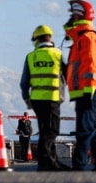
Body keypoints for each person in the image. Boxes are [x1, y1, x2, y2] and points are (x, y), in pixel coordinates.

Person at [64, 0, 96, 171]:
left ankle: (79, 165)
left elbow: (91, 66)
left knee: (84, 129)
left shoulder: (89, 39)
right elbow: (72, 33)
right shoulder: (80, 38)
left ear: (82, 16)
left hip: (89, 90)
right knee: (91, 129)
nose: (72, 17)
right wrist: (69, 26)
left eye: (74, 15)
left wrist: (88, 92)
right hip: (84, 91)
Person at [21, 23, 70, 171]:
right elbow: (67, 75)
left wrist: (26, 99)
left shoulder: (31, 56)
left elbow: (24, 82)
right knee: (52, 130)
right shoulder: (57, 54)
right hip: (52, 98)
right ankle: (45, 160)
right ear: (50, 38)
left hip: (36, 99)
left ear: (36, 39)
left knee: (45, 130)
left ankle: (50, 161)